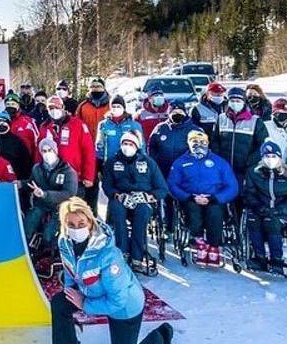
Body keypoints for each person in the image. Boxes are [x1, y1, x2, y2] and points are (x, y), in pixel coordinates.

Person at [46, 197, 173, 344]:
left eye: (81, 223)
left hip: (124, 308)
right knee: (60, 302)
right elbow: (69, 272)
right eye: (71, 224)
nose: (76, 228)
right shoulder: (65, 243)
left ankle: (160, 340)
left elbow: (117, 301)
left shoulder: (109, 254)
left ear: (90, 222)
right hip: (91, 294)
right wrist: (71, 293)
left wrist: (84, 304)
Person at [168, 130, 239, 266]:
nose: (198, 145)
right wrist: (187, 196)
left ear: (207, 143)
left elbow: (232, 186)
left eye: (202, 142)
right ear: (188, 143)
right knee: (192, 211)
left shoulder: (219, 162)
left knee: (215, 211)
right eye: (194, 142)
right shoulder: (180, 163)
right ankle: (198, 240)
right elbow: (172, 184)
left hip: (213, 198)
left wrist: (216, 198)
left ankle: (214, 244)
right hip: (190, 198)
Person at [101, 132, 167, 273]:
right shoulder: (112, 162)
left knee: (143, 212)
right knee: (117, 211)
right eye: (125, 144)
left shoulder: (148, 162)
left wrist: (148, 197)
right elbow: (107, 185)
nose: (127, 147)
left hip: (142, 198)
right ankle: (122, 252)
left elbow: (162, 188)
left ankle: (137, 256)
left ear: (136, 146)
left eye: (131, 144)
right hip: (121, 197)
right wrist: (117, 195)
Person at [241, 142, 287, 273]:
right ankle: (259, 257)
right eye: (266, 156)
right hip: (261, 209)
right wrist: (257, 206)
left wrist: (278, 210)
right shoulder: (254, 172)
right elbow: (249, 193)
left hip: (284, 212)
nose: (270, 159)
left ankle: (276, 259)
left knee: (272, 222)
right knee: (252, 219)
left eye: (273, 156)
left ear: (279, 157)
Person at [23, 138, 79, 253]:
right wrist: (18, 184)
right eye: (44, 151)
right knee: (27, 227)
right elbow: (31, 183)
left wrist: (44, 194)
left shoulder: (67, 171)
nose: (47, 153)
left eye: (50, 150)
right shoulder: (37, 169)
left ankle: (51, 255)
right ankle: (29, 253)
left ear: (55, 151)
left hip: (60, 207)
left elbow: (69, 193)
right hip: (42, 205)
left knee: (48, 236)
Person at [39, 96, 96, 199]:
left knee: (73, 209)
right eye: (51, 108)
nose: (54, 110)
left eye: (57, 107)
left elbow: (88, 151)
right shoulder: (45, 127)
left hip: (74, 176)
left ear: (63, 107)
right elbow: (38, 153)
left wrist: (88, 175)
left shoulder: (77, 124)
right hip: (51, 177)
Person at [94, 96, 141, 215]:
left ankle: (131, 216)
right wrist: (99, 165)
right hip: (110, 165)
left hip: (130, 163)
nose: (116, 109)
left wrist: (141, 162)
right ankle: (111, 221)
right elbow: (99, 146)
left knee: (129, 189)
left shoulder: (133, 125)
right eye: (113, 106)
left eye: (118, 106)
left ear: (124, 108)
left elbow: (141, 146)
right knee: (112, 193)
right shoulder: (104, 125)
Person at [213, 87, 268, 181]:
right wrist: (219, 158)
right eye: (232, 100)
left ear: (244, 102)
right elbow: (215, 140)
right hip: (224, 167)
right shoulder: (221, 118)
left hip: (245, 169)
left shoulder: (255, 121)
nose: (235, 103)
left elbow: (263, 145)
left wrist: (250, 162)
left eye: (238, 101)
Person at [146, 101, 198, 179]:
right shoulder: (161, 128)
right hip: (163, 170)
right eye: (174, 112)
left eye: (180, 112)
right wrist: (154, 162)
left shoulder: (194, 130)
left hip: (185, 171)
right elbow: (152, 146)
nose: (177, 114)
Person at [0, 112, 34, 181]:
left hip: (14, 179)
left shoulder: (18, 141)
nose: (2, 124)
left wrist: (22, 182)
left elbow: (26, 163)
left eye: (4, 122)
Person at [3, 93, 39, 160]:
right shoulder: (0, 121)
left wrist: (36, 162)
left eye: (13, 104)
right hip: (6, 163)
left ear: (18, 105)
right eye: (8, 104)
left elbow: (37, 143)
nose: (10, 106)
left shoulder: (28, 122)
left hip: (25, 161)